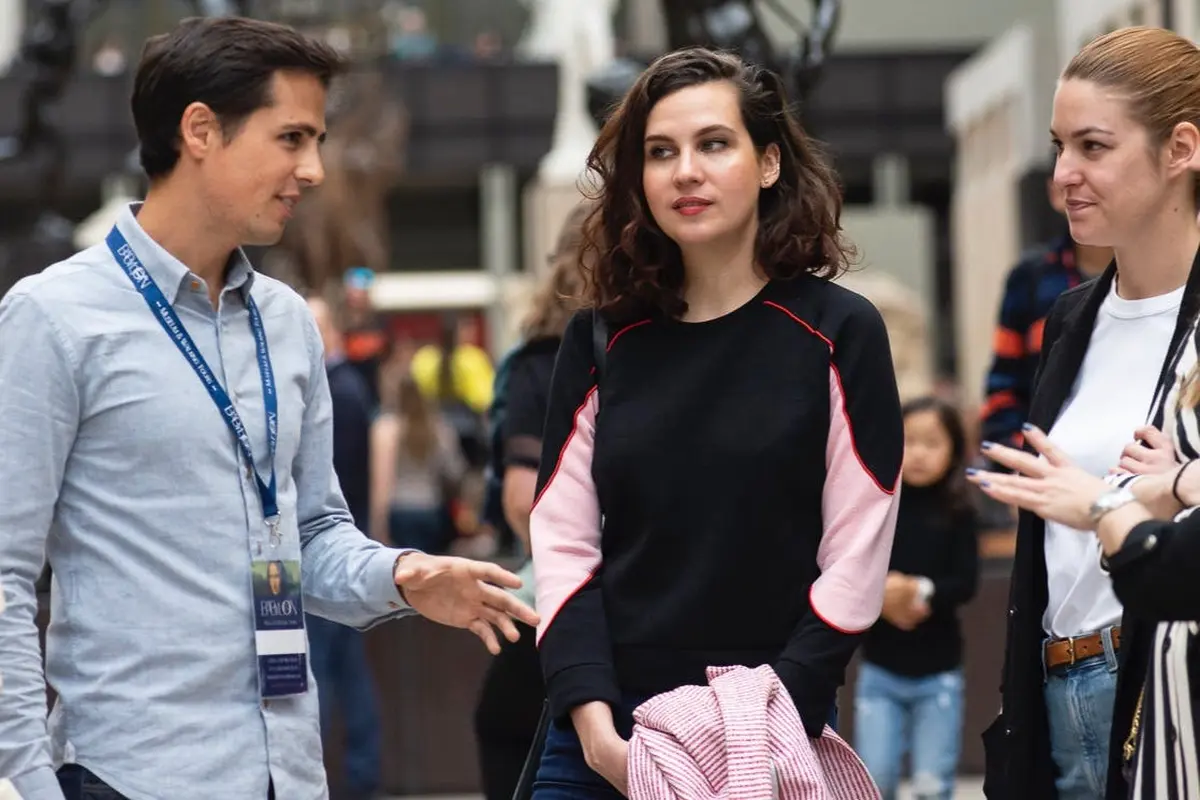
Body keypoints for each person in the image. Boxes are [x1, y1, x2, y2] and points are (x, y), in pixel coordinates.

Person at [0, 17, 537, 800]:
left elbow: (311, 534)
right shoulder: (53, 318)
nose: (314, 169)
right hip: (127, 777)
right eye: (292, 137)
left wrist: (409, 575)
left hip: (287, 773)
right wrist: (30, 781)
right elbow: (6, 573)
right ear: (200, 131)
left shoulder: (286, 323)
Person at [528, 48, 904, 798]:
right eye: (660, 152)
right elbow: (561, 544)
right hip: (606, 727)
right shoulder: (600, 338)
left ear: (768, 163)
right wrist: (596, 726)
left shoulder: (840, 331)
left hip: (769, 721)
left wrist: (778, 709)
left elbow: (857, 551)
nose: (685, 172)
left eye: (714, 144)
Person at [978, 26, 1200, 800]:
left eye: (1094, 147)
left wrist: (1129, 496)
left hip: (1170, 698)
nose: (1064, 173)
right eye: (1058, 146)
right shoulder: (1072, 317)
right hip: (1054, 685)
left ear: (1181, 148)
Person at [473, 200, 591, 800]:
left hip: (559, 593)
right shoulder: (659, 346)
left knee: (508, 731)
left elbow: (523, 494)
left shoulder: (539, 360)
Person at [854, 396, 979, 800]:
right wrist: (885, 593)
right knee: (875, 778)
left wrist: (919, 590)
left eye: (933, 442)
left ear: (955, 450)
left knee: (932, 783)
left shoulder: (959, 511)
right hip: (880, 671)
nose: (920, 454)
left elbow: (965, 582)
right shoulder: (877, 506)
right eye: (910, 441)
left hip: (938, 673)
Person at [304, 293, 384, 800]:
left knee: (324, 674)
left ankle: (347, 775)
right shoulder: (341, 388)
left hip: (332, 549)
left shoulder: (341, 391)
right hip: (339, 547)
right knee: (344, 672)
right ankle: (356, 774)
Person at [980, 181, 1112, 449]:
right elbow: (1004, 380)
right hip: (1045, 458)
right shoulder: (1031, 277)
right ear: (1053, 193)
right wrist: (1022, 452)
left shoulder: (1164, 273)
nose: (1073, 180)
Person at [370, 374, 467, 553]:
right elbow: (454, 471)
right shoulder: (439, 428)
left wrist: (378, 524)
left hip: (399, 510)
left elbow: (382, 482)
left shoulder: (387, 428)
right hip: (431, 508)